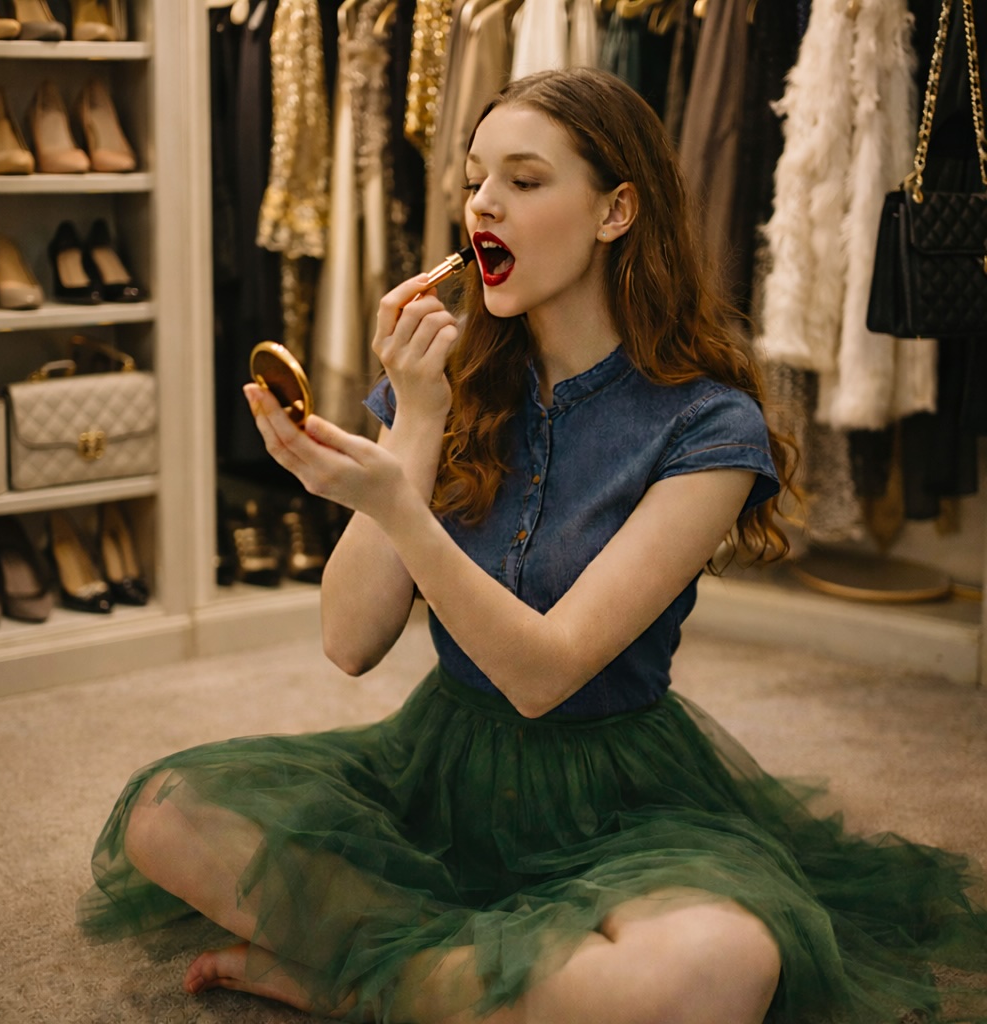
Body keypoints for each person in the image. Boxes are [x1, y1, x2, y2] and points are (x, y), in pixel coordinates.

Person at [79, 68, 987, 1024]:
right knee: (167, 812)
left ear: (615, 211)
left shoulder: (709, 429)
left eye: (524, 179)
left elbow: (544, 676)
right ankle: (468, 982)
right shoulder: (440, 381)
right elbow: (349, 644)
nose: (483, 205)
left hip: (618, 797)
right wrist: (417, 423)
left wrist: (400, 506)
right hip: (437, 765)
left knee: (713, 969)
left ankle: (350, 974)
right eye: (475, 180)